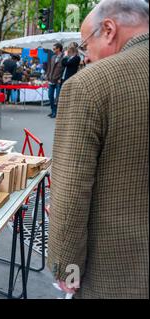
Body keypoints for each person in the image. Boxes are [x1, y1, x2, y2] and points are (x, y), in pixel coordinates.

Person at [48, 0, 149, 299]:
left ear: (108, 29)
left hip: (116, 274)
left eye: (85, 45)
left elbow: (70, 191)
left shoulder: (90, 85)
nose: (86, 58)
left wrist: (65, 270)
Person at [45, 42, 64, 118]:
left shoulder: (64, 57)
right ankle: (52, 110)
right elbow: (49, 67)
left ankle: (56, 112)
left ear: (59, 49)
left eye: (54, 49)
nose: (53, 50)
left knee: (57, 98)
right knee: (50, 96)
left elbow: (64, 69)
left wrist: (60, 78)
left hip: (58, 80)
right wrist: (47, 76)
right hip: (51, 79)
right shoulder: (53, 57)